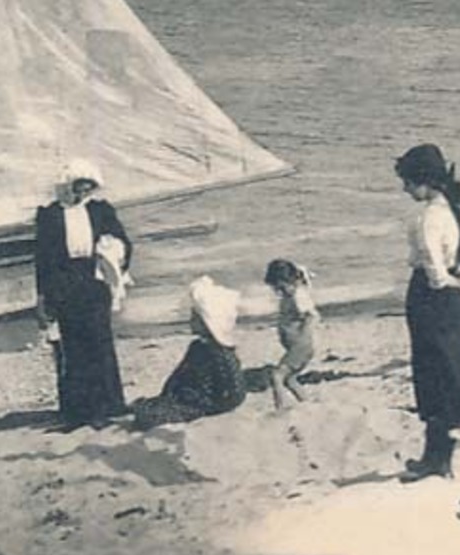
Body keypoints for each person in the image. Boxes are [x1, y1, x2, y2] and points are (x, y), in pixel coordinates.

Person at [394, 143, 460, 482]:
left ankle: (436, 459)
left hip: (431, 295)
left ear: (423, 180)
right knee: (451, 372)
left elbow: (430, 263)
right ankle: (439, 457)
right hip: (453, 296)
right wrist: (458, 274)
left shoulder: (428, 216)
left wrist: (440, 280)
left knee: (432, 374)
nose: (405, 189)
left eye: (407, 182)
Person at [34, 160, 132, 429]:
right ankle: (76, 411)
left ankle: (107, 406)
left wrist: (113, 253)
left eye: (89, 186)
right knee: (72, 347)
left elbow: (123, 242)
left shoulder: (101, 210)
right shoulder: (50, 215)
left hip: (93, 281)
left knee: (99, 343)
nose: (83, 191)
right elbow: (42, 259)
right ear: (68, 185)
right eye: (79, 185)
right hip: (65, 283)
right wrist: (43, 296)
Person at [131, 276, 248, 430]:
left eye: (195, 318)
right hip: (191, 395)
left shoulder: (220, 353)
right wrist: (168, 394)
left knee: (148, 416)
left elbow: (234, 391)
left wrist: (209, 405)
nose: (190, 321)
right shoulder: (198, 346)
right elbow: (179, 375)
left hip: (202, 402)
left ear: (208, 323)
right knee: (145, 408)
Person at [264, 258, 320, 409]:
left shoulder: (298, 296)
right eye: (277, 289)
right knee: (290, 379)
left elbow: (313, 316)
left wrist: (303, 337)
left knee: (276, 376)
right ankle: (307, 405)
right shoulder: (289, 296)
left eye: (282, 287)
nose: (280, 291)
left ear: (291, 280)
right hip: (296, 346)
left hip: (300, 346)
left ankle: (280, 409)